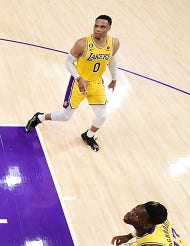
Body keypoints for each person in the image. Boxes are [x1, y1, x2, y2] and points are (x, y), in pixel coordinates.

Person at [25, 15, 120, 152]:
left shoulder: (114, 43)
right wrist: (79, 78)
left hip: (97, 84)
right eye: (96, 26)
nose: (98, 29)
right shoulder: (82, 43)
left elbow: (112, 60)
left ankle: (88, 135)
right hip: (78, 84)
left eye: (102, 27)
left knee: (102, 116)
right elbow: (68, 62)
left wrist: (114, 79)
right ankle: (39, 117)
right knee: (65, 117)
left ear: (109, 28)